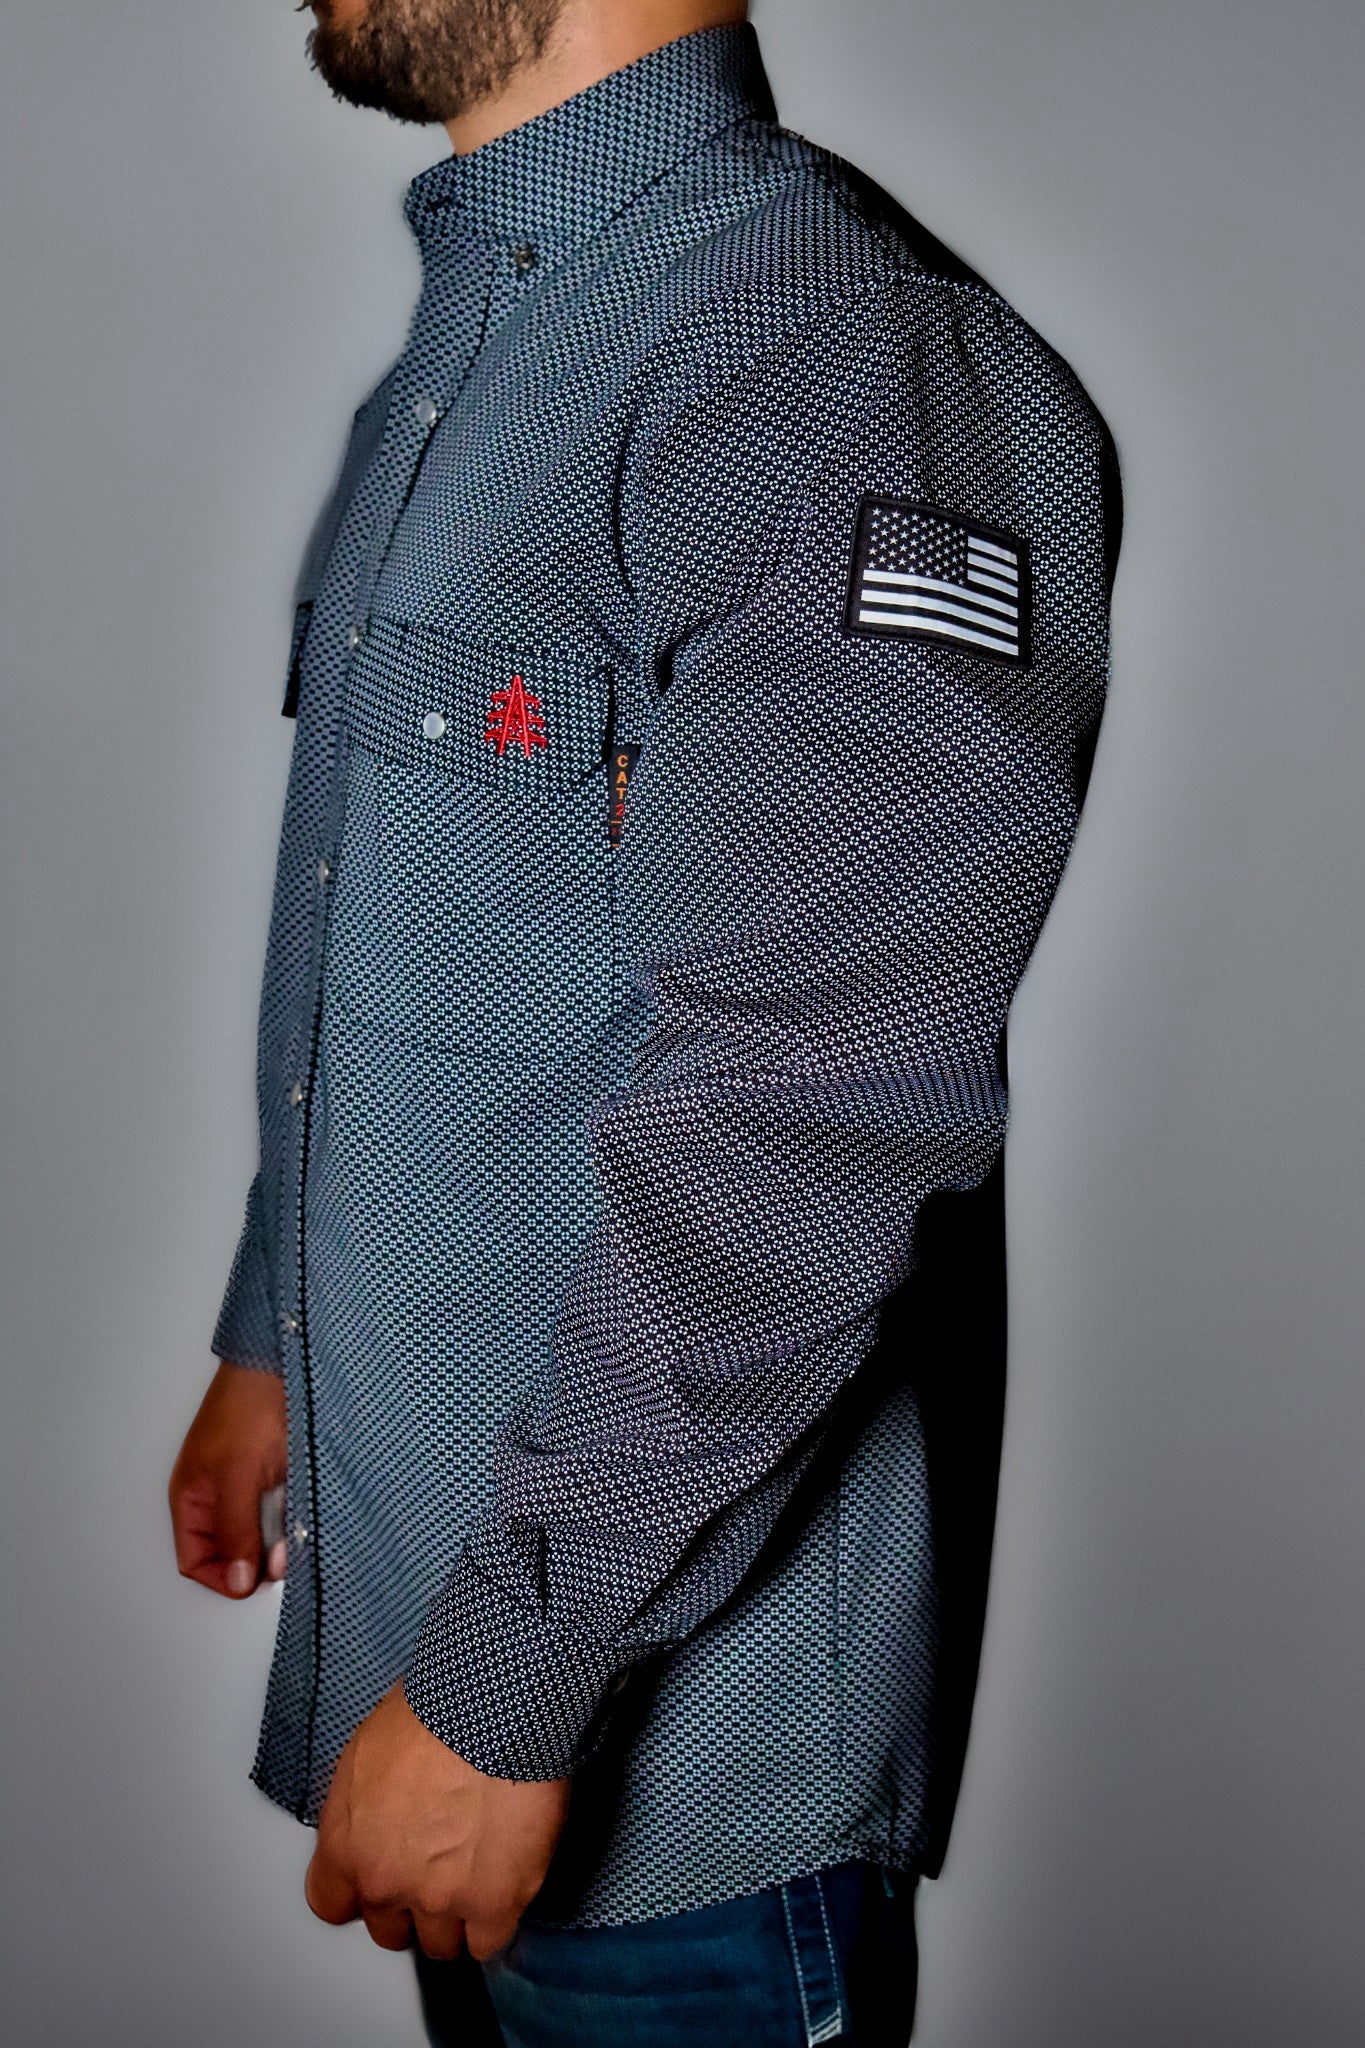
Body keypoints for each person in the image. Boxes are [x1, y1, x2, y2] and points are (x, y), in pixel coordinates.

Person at [168, 2, 1120, 2040]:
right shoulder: (484, 340)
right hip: (446, 1607)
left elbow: (811, 1109)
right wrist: (275, 1334)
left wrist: (502, 1685)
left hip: (663, 1767)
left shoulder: (827, 354)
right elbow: (398, 929)